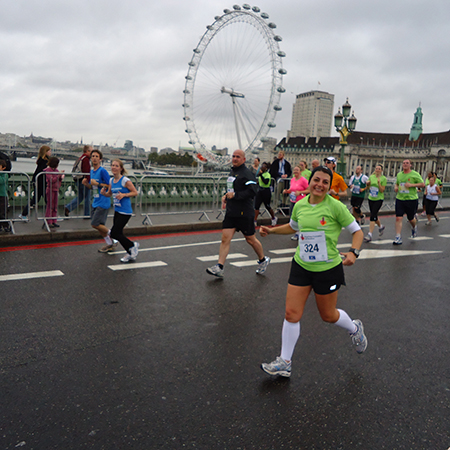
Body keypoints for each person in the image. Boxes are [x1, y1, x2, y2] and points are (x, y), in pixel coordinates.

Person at [259, 165, 366, 378]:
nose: (320, 185)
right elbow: (293, 227)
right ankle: (285, 362)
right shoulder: (300, 205)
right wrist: (272, 231)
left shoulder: (335, 207)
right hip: (302, 264)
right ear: (310, 181)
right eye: (317, 180)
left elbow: (357, 232)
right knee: (291, 313)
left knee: (328, 315)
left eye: (325, 182)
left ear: (329, 186)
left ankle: (354, 328)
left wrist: (354, 253)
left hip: (327, 269)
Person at [206, 149, 270, 278]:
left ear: (243, 159)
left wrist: (235, 195)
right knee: (225, 239)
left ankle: (263, 260)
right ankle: (219, 267)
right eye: (233, 156)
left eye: (238, 157)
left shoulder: (247, 174)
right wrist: (226, 196)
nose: (235, 158)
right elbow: (232, 188)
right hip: (231, 212)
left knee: (250, 240)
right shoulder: (232, 172)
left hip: (244, 212)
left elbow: (253, 191)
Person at [101, 159, 139, 262]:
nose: (114, 167)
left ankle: (132, 246)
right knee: (118, 233)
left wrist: (124, 195)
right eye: (112, 165)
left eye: (116, 166)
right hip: (117, 210)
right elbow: (110, 193)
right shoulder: (111, 181)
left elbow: (135, 192)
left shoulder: (125, 181)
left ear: (121, 168)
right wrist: (104, 193)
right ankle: (130, 252)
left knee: (114, 233)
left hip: (125, 211)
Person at [82, 150, 113, 250]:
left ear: (100, 159)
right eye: (93, 156)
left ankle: (115, 236)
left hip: (103, 201)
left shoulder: (102, 171)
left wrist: (98, 184)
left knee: (94, 224)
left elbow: (109, 185)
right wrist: (87, 184)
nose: (94, 158)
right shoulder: (92, 172)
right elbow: (93, 187)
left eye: (97, 156)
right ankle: (110, 244)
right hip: (95, 200)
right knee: (99, 225)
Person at [393, 159, 424, 245]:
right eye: (403, 163)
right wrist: (396, 187)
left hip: (411, 199)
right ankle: (398, 237)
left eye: (407, 163)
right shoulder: (399, 174)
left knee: (410, 218)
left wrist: (411, 185)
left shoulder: (415, 174)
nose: (405, 164)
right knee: (398, 218)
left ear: (410, 165)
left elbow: (422, 184)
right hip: (400, 198)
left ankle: (414, 227)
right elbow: (397, 183)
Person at [19, 145, 51, 220]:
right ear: (45, 152)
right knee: (46, 200)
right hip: (41, 183)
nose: (50, 152)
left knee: (37, 199)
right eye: (49, 151)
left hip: (39, 182)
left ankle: (24, 214)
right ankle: (52, 216)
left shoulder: (42, 161)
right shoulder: (44, 162)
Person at [282, 165, 309, 241]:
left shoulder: (303, 180)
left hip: (301, 202)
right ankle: (298, 232)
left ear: (300, 171)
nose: (295, 172)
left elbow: (309, 190)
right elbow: (292, 189)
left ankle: (299, 233)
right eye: (294, 170)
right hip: (293, 201)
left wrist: (300, 192)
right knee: (292, 218)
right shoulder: (292, 179)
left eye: (297, 170)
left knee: (299, 218)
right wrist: (287, 191)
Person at [65, 145, 92, 217]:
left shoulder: (80, 158)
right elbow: (87, 172)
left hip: (78, 179)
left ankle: (68, 207)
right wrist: (89, 183)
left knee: (80, 196)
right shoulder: (86, 159)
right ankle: (87, 214)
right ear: (87, 151)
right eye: (91, 151)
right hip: (83, 180)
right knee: (87, 197)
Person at [363, 164, 387, 242]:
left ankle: (370, 234)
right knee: (374, 215)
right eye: (376, 168)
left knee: (372, 216)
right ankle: (380, 226)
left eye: (379, 169)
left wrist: (379, 183)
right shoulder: (371, 177)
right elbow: (369, 187)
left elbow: (382, 190)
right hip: (371, 198)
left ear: (381, 170)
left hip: (379, 199)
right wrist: (368, 184)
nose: (377, 170)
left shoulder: (383, 178)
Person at [43, 157, 64, 228]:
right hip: (50, 189)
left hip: (56, 189)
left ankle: (54, 220)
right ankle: (48, 221)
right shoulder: (48, 171)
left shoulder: (57, 171)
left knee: (55, 206)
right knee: (50, 206)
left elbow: (58, 180)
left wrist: (61, 176)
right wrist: (59, 176)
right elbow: (52, 180)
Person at [254, 162, 277, 227]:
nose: (262, 167)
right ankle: (255, 220)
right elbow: (259, 182)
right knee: (256, 206)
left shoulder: (267, 174)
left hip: (266, 191)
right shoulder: (261, 174)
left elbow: (266, 182)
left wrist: (261, 175)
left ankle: (273, 218)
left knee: (267, 206)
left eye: (264, 166)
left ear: (266, 168)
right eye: (262, 166)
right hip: (260, 191)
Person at [0, 159, 10, 232]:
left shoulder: (5, 174)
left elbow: (2, 181)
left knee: (2, 212)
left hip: (2, 195)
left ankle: (6, 225)